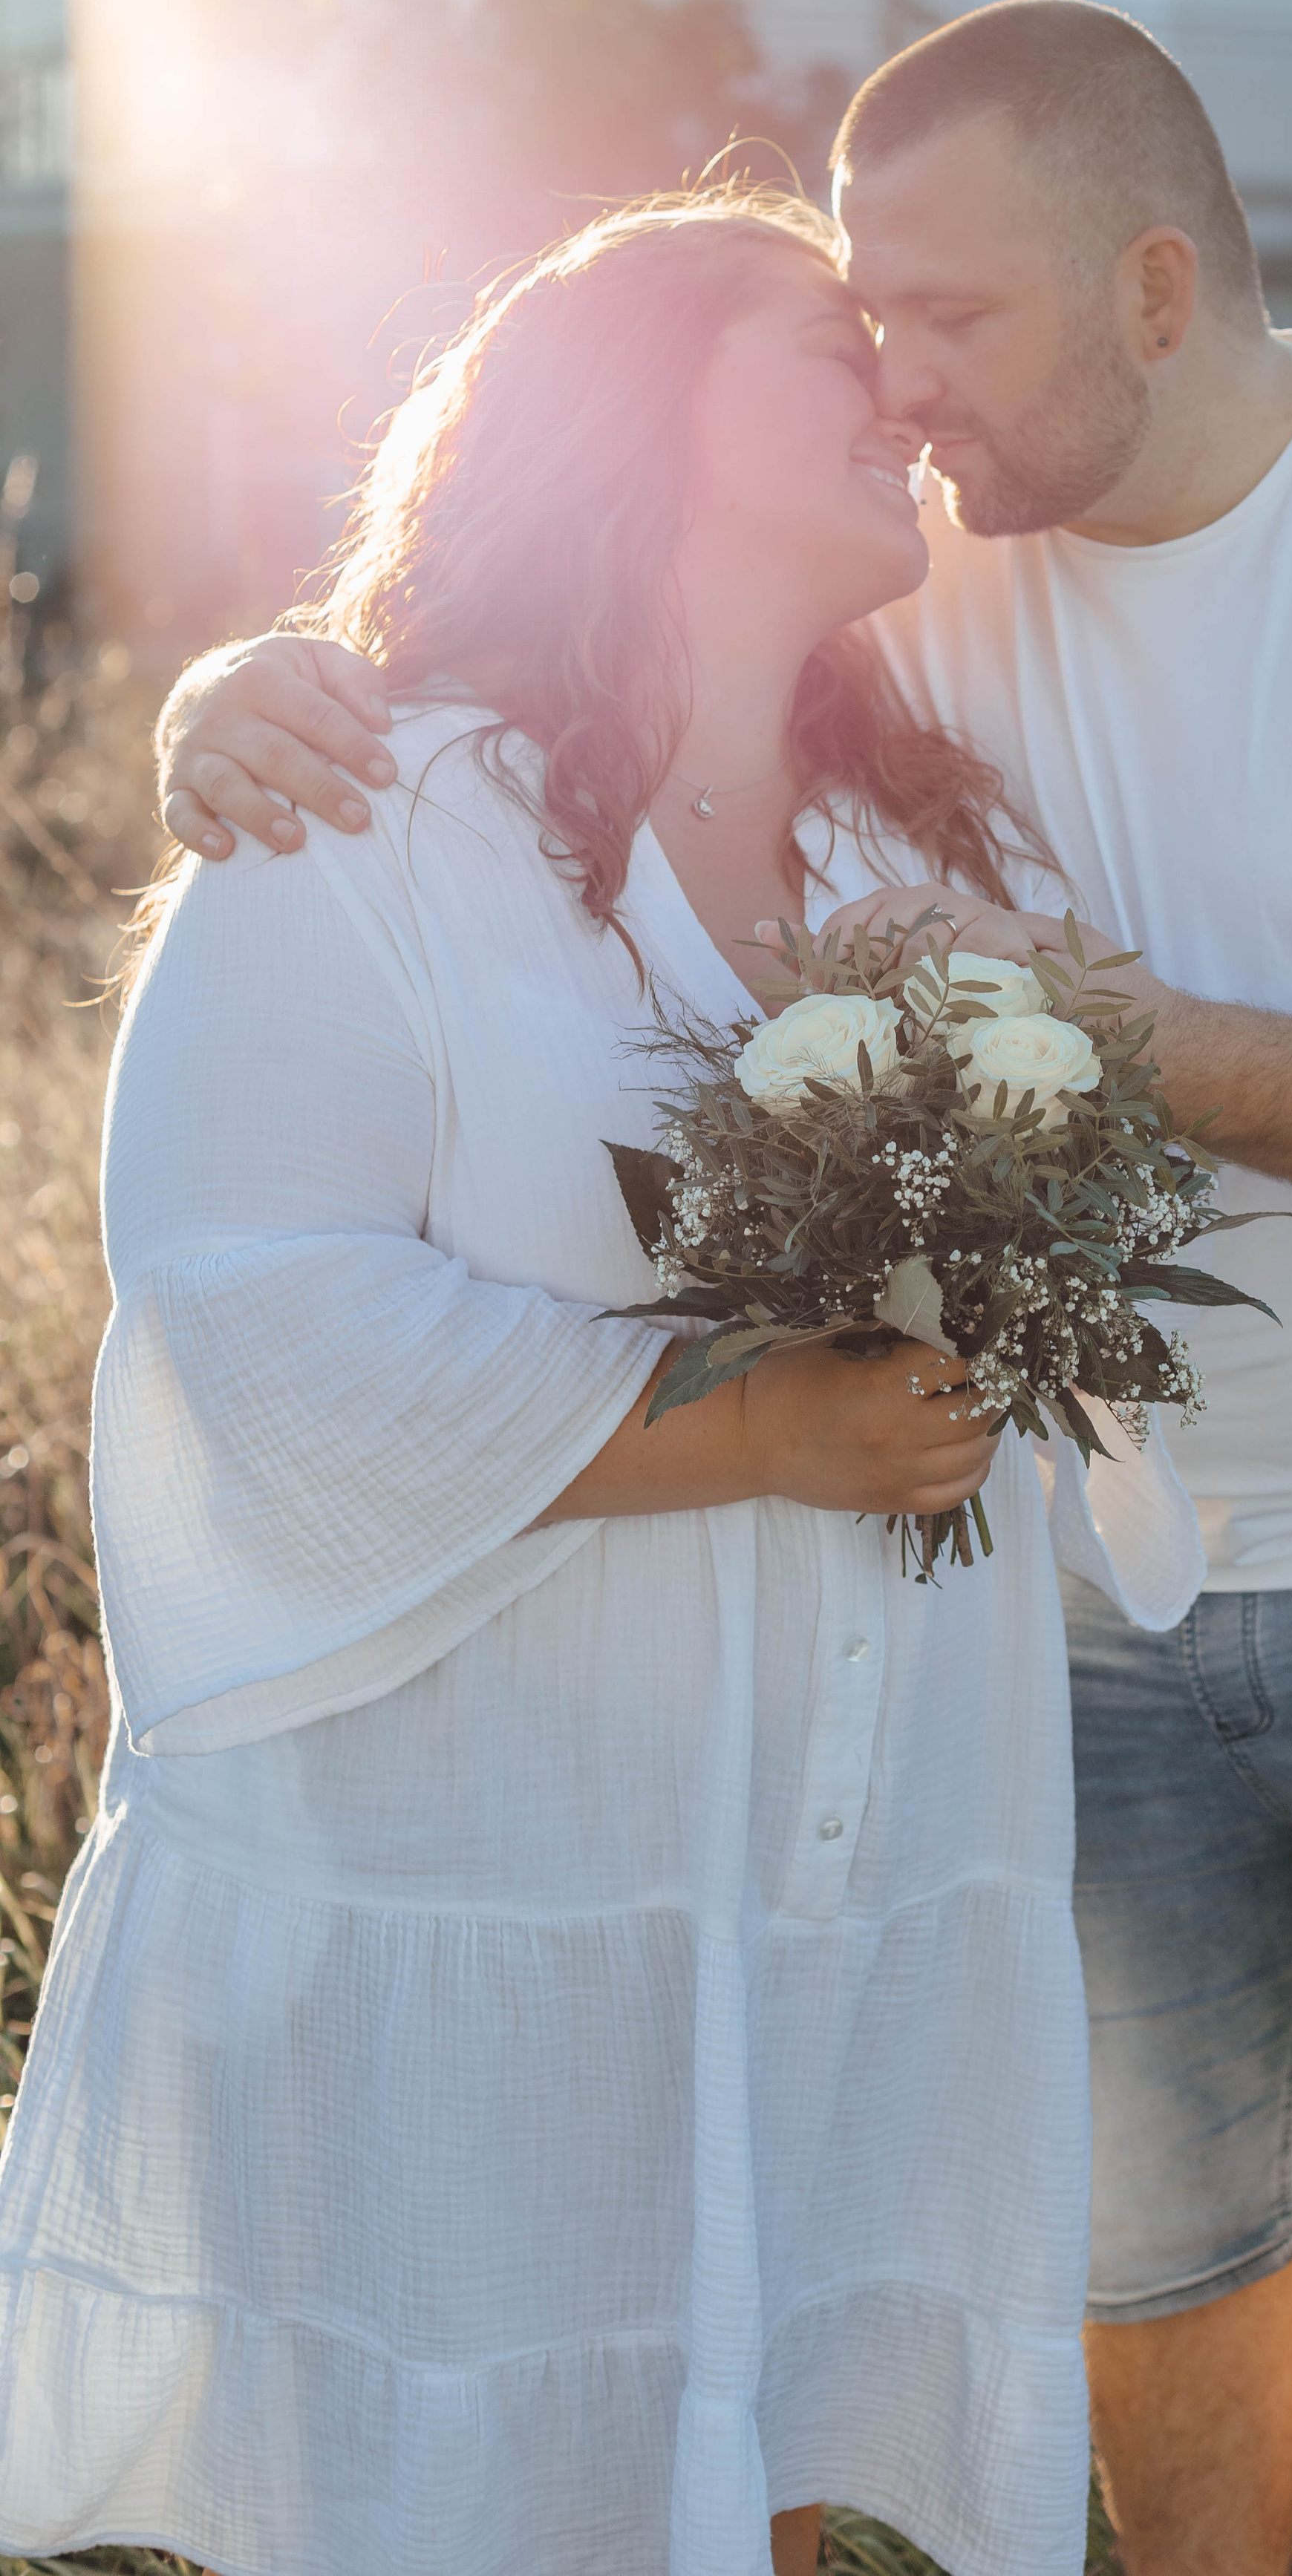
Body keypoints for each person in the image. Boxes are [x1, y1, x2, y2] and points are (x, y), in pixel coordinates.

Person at [156, 0, 1292, 2576]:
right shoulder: (921, 576)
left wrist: (1130, 1037)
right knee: (1156, 2248)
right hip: (1072, 1597)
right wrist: (241, 686)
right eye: (865, 322)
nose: (901, 385)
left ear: (1156, 289)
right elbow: (583, 626)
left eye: (949, 316)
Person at [0, 188, 1201, 2576]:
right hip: (485, 1867)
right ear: (630, 414)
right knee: (465, 2480)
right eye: (827, 340)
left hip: (830, 1838)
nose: (898, 389)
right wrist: (752, 1429)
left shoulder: (912, 846)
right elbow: (253, 1314)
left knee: (752, 2448)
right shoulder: (366, 814)